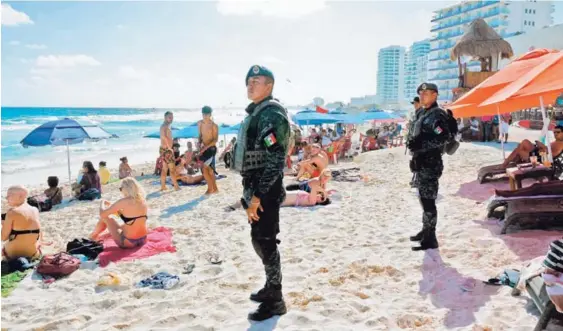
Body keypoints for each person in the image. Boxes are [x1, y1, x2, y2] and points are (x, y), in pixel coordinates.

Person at [231, 65, 289, 320]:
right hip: (254, 186)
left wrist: (258, 196)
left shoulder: (271, 113)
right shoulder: (256, 113)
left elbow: (276, 158)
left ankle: (276, 300)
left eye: (256, 81)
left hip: (265, 188)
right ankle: (270, 287)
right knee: (259, 239)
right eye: (248, 82)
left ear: (269, 86)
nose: (250, 85)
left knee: (265, 241)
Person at [406, 83, 451, 251]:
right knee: (423, 198)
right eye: (421, 93)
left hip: (430, 163)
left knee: (429, 200)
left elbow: (444, 138)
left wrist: (421, 144)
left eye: (426, 93)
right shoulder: (423, 113)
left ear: (435, 95)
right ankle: (425, 230)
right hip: (421, 162)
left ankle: (431, 238)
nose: (422, 95)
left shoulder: (437, 115)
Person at [90, 178, 148, 248]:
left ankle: (93, 236)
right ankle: (94, 236)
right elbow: (128, 217)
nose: (121, 191)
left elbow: (102, 214)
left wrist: (102, 202)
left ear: (126, 188)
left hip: (128, 242)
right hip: (143, 239)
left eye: (121, 189)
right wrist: (113, 207)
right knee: (121, 225)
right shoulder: (143, 200)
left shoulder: (123, 201)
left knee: (106, 218)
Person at [2, 186, 42, 260]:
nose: (6, 198)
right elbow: (40, 234)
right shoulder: (35, 210)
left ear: (20, 196)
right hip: (33, 253)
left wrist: (3, 223)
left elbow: (3, 237)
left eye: (9, 195)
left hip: (13, 254)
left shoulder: (12, 212)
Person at [198, 106, 219, 194]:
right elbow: (200, 135)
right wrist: (199, 142)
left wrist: (206, 147)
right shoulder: (199, 123)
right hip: (203, 149)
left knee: (204, 169)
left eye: (207, 114)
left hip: (211, 149)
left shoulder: (214, 125)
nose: (205, 116)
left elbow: (215, 140)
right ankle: (215, 189)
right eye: (203, 114)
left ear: (210, 114)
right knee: (210, 170)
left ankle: (210, 189)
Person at [159, 111, 180, 191]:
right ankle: (176, 186)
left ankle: (163, 186)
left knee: (165, 169)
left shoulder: (166, 126)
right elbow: (163, 137)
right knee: (172, 169)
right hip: (167, 150)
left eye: (172, 117)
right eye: (169, 117)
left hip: (164, 149)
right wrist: (169, 147)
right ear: (165, 117)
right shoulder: (164, 126)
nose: (171, 119)